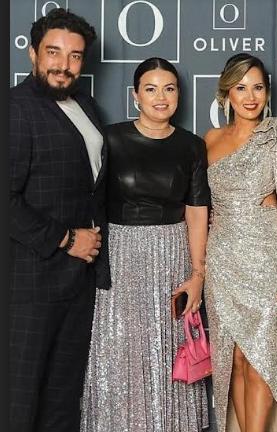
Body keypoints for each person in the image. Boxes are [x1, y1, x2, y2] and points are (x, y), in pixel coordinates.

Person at [80, 57, 210, 432]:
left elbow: (196, 212)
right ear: (135, 95)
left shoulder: (191, 146)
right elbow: (88, 200)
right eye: (150, 89)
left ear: (179, 95)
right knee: (119, 350)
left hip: (172, 254)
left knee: (167, 349)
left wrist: (197, 274)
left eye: (169, 89)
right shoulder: (109, 139)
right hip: (119, 255)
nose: (160, 97)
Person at [204, 53, 277, 432]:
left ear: (267, 93)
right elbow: (201, 203)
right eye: (241, 88)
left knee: (261, 361)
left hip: (269, 259)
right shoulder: (210, 140)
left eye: (258, 88)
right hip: (222, 261)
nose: (250, 97)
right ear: (226, 94)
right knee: (234, 360)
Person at [9, 9, 109, 432]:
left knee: (63, 404)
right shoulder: (15, 109)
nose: (63, 65)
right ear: (33, 53)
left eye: (74, 56)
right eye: (53, 52)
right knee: (19, 403)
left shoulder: (84, 105)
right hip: (29, 284)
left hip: (77, 281)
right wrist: (67, 239)